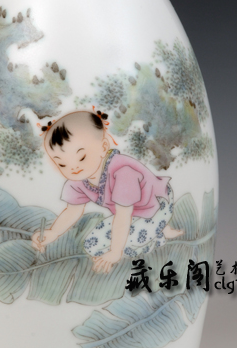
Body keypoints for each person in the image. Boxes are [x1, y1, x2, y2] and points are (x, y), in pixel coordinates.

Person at [31, 111, 183, 273]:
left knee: (123, 244)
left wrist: (115, 252)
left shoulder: (123, 172)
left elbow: (123, 216)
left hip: (157, 205)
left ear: (104, 147)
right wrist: (53, 232)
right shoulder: (78, 180)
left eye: (81, 158)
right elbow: (72, 211)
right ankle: (158, 230)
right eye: (62, 164)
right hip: (134, 213)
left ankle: (159, 233)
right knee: (92, 246)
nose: (73, 168)